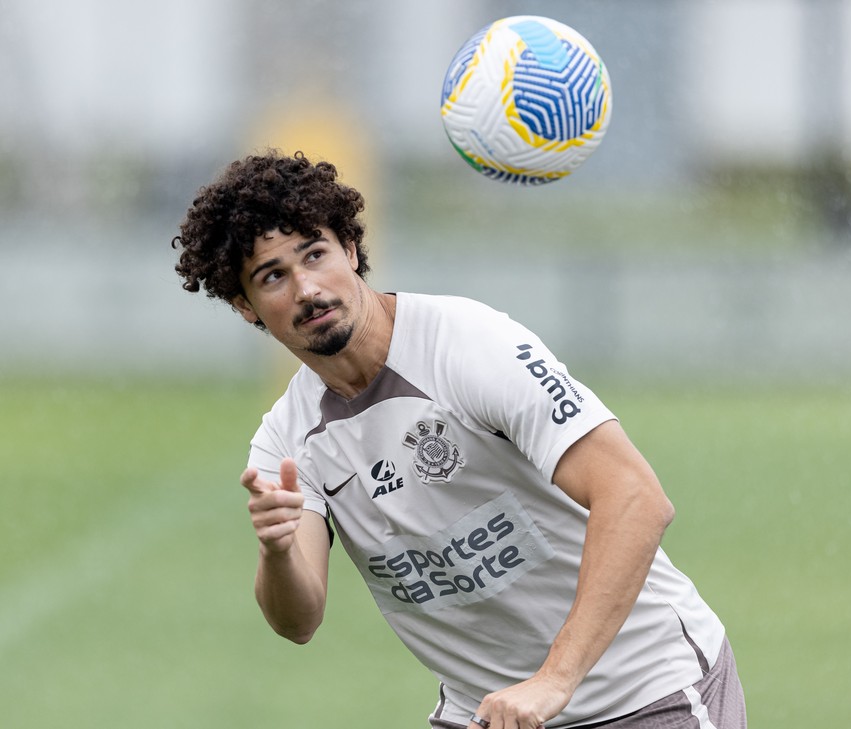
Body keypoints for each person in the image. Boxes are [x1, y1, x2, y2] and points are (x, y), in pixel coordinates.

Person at [172, 150, 746, 729]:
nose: (307, 289)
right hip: (491, 715)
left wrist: (554, 682)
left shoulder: (470, 345)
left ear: (350, 248)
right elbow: (298, 621)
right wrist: (275, 552)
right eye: (274, 276)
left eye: (315, 255)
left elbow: (636, 498)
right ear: (245, 306)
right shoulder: (286, 442)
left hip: (646, 693)